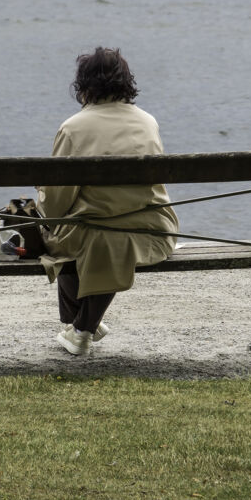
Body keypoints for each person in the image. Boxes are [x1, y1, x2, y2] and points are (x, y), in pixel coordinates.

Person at [37, 47, 179, 356]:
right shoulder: (147, 122)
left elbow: (54, 205)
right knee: (102, 238)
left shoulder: (73, 128)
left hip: (97, 233)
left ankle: (82, 328)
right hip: (151, 230)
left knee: (58, 238)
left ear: (83, 84)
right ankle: (84, 322)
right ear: (126, 82)